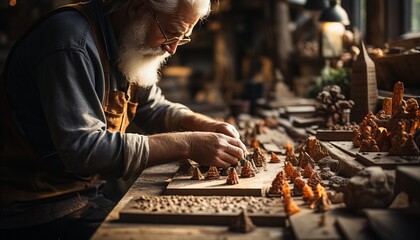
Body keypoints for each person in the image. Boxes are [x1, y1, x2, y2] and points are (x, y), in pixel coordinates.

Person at [0, 0, 246, 239]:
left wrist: (201, 124)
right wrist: (189, 145)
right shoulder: (70, 42)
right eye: (171, 33)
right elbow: (84, 149)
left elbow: (152, 106)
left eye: (182, 37)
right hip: (36, 208)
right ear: (138, 8)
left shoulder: (124, 39)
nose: (172, 48)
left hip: (85, 192)